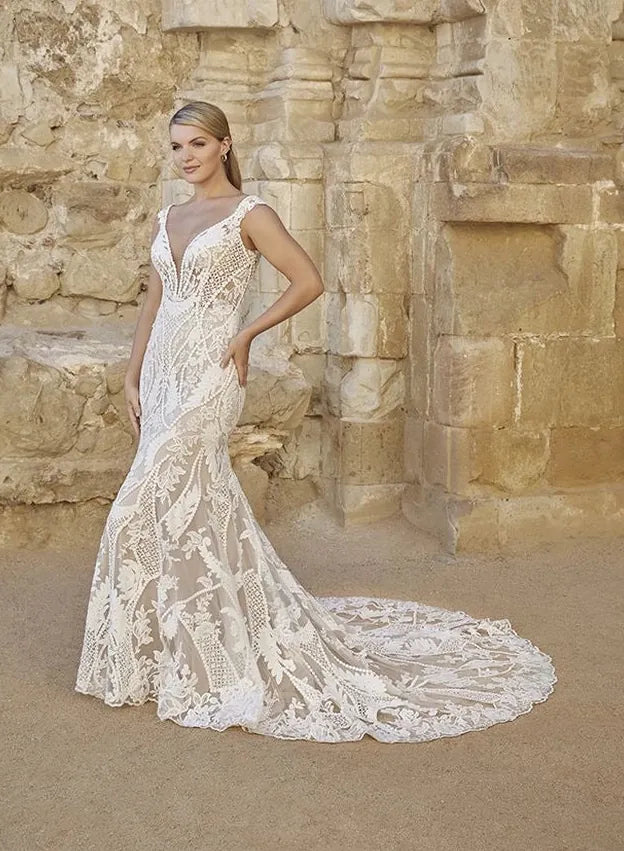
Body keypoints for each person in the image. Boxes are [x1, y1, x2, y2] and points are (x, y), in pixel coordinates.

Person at [74, 101, 557, 743]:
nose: (185, 156)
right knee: (190, 507)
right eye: (176, 147)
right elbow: (155, 301)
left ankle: (192, 654)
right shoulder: (169, 218)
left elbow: (308, 281)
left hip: (210, 375)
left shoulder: (252, 214)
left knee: (137, 508)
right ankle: (184, 654)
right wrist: (133, 375)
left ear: (224, 146)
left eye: (197, 144)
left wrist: (247, 334)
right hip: (161, 374)